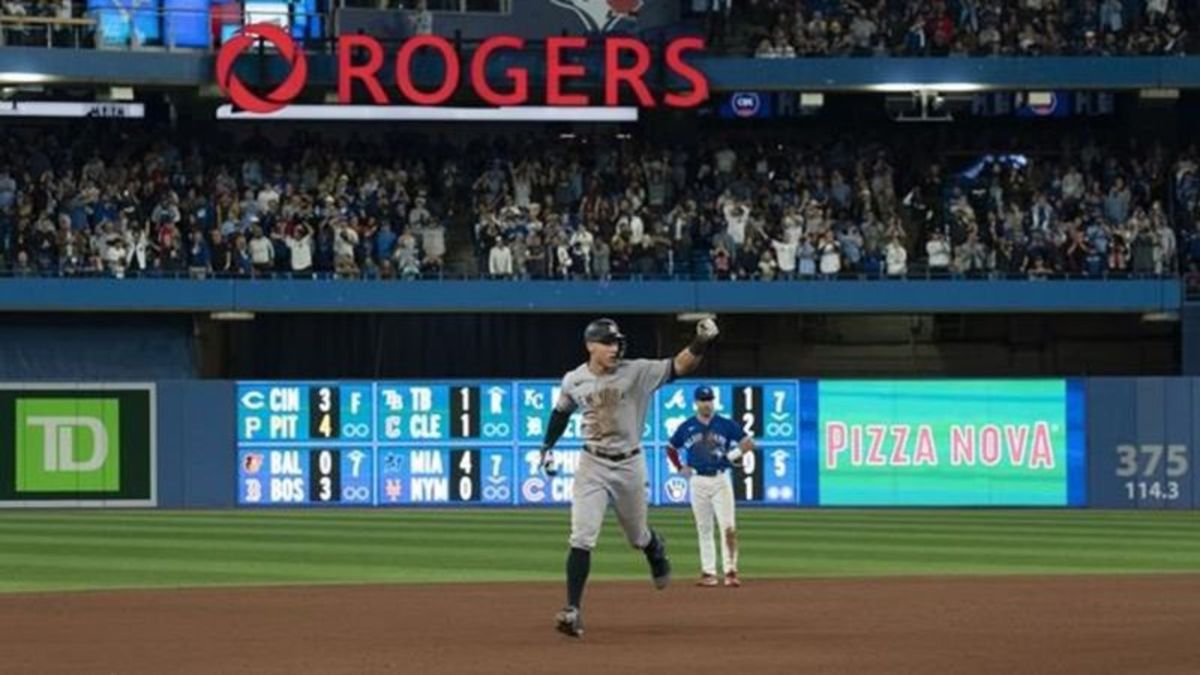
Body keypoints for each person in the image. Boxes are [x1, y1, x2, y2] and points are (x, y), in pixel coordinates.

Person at [542, 316, 720, 638]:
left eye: (617, 341)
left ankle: (654, 547)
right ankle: (572, 610)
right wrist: (546, 446)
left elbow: (680, 366)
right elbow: (561, 412)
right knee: (582, 536)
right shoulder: (574, 379)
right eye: (608, 342)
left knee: (637, 536)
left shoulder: (637, 371)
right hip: (592, 464)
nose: (615, 347)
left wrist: (700, 342)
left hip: (629, 466)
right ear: (590, 346)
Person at [665, 385, 753, 588]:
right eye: (703, 400)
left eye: (710, 399)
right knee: (704, 528)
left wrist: (730, 456)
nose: (707, 403)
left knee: (728, 527)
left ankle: (730, 572)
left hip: (720, 479)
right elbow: (670, 447)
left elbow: (748, 443)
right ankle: (709, 573)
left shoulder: (725, 424)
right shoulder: (687, 426)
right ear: (696, 403)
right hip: (697, 480)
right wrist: (679, 467)